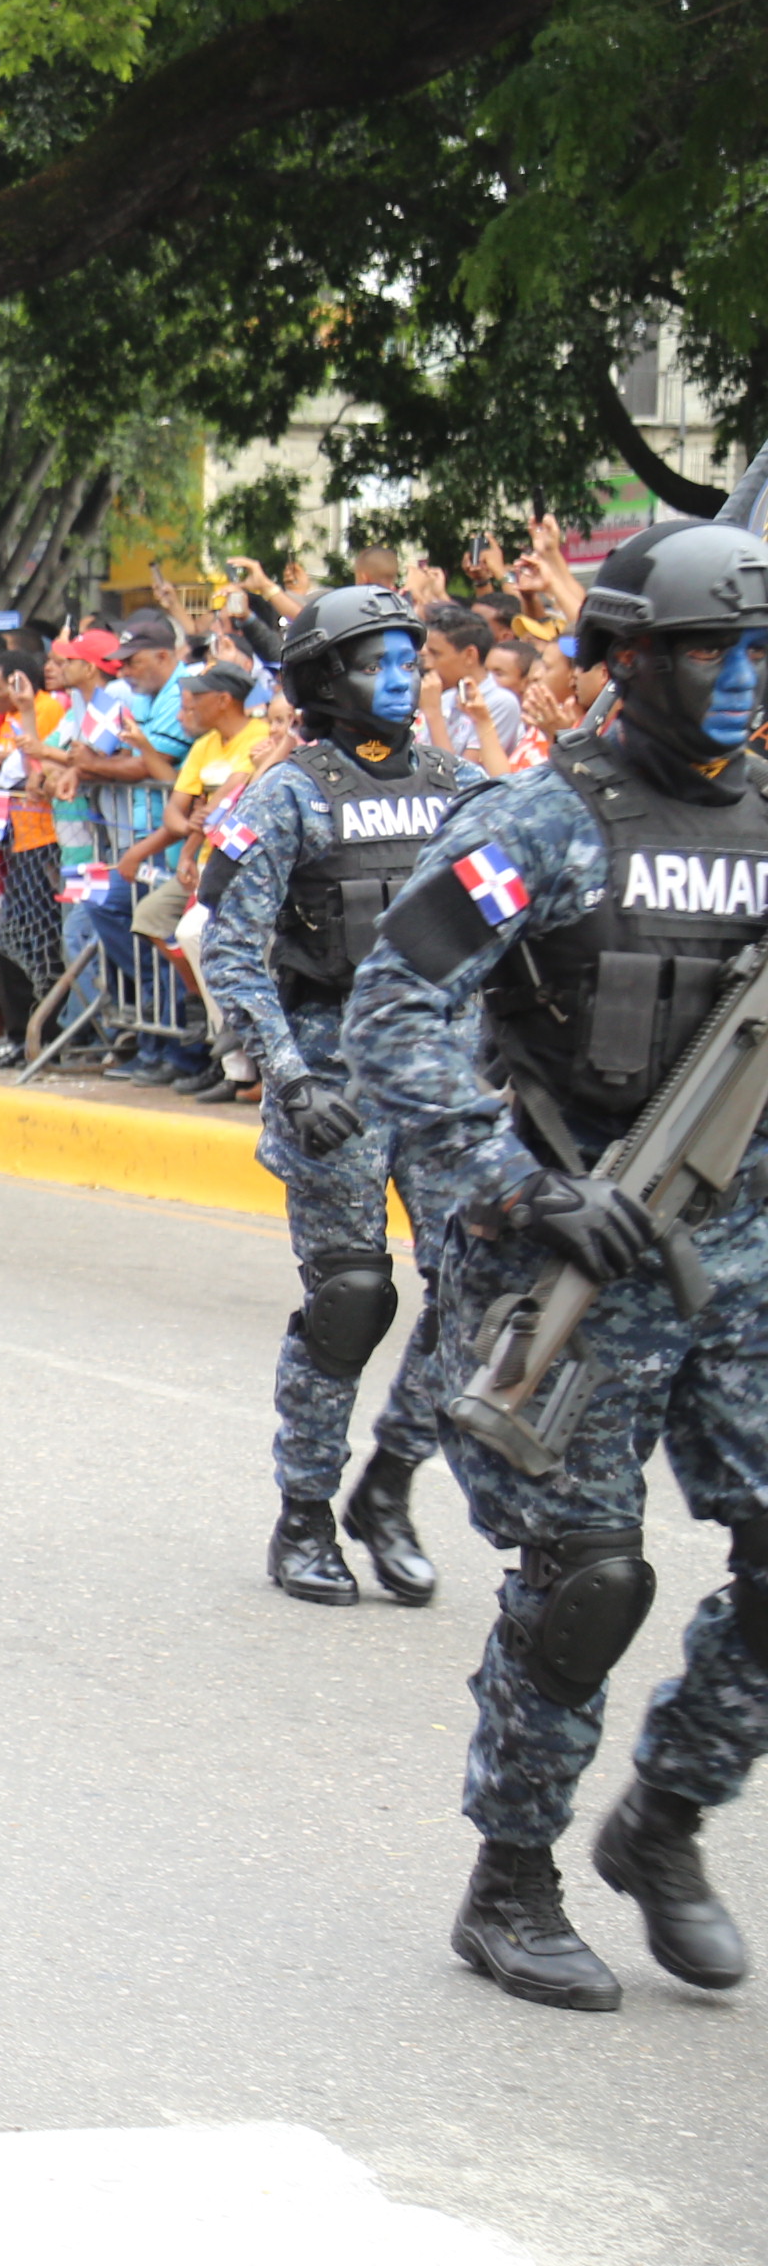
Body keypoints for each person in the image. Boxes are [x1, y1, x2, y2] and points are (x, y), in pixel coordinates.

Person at [346, 518, 768, 2014]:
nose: (738, 677)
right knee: (589, 1579)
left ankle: (665, 1816)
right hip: (572, 1254)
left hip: (743, 1255)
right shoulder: (542, 822)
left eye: (755, 650)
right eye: (707, 648)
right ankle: (510, 1879)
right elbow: (390, 1013)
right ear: (628, 660)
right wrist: (519, 1186)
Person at [198, 586, 483, 1608]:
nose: (402, 678)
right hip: (332, 1072)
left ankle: (390, 1484)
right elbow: (229, 947)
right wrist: (288, 1078)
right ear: (325, 679)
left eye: (410, 659)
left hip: (444, 1075)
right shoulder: (289, 794)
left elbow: (516, 924)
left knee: (481, 1295)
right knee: (352, 1297)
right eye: (376, 662)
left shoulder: (463, 787)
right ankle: (306, 1510)